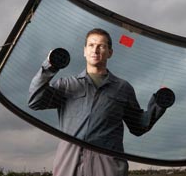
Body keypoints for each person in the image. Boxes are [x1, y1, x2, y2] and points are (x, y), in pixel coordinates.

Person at [28, 28, 171, 176]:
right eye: (91, 45)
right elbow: (35, 101)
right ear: (84, 51)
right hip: (69, 165)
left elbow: (139, 126)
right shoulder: (67, 85)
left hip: (108, 167)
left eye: (101, 46)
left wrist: (159, 103)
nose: (95, 50)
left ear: (110, 52)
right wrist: (50, 65)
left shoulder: (123, 88)